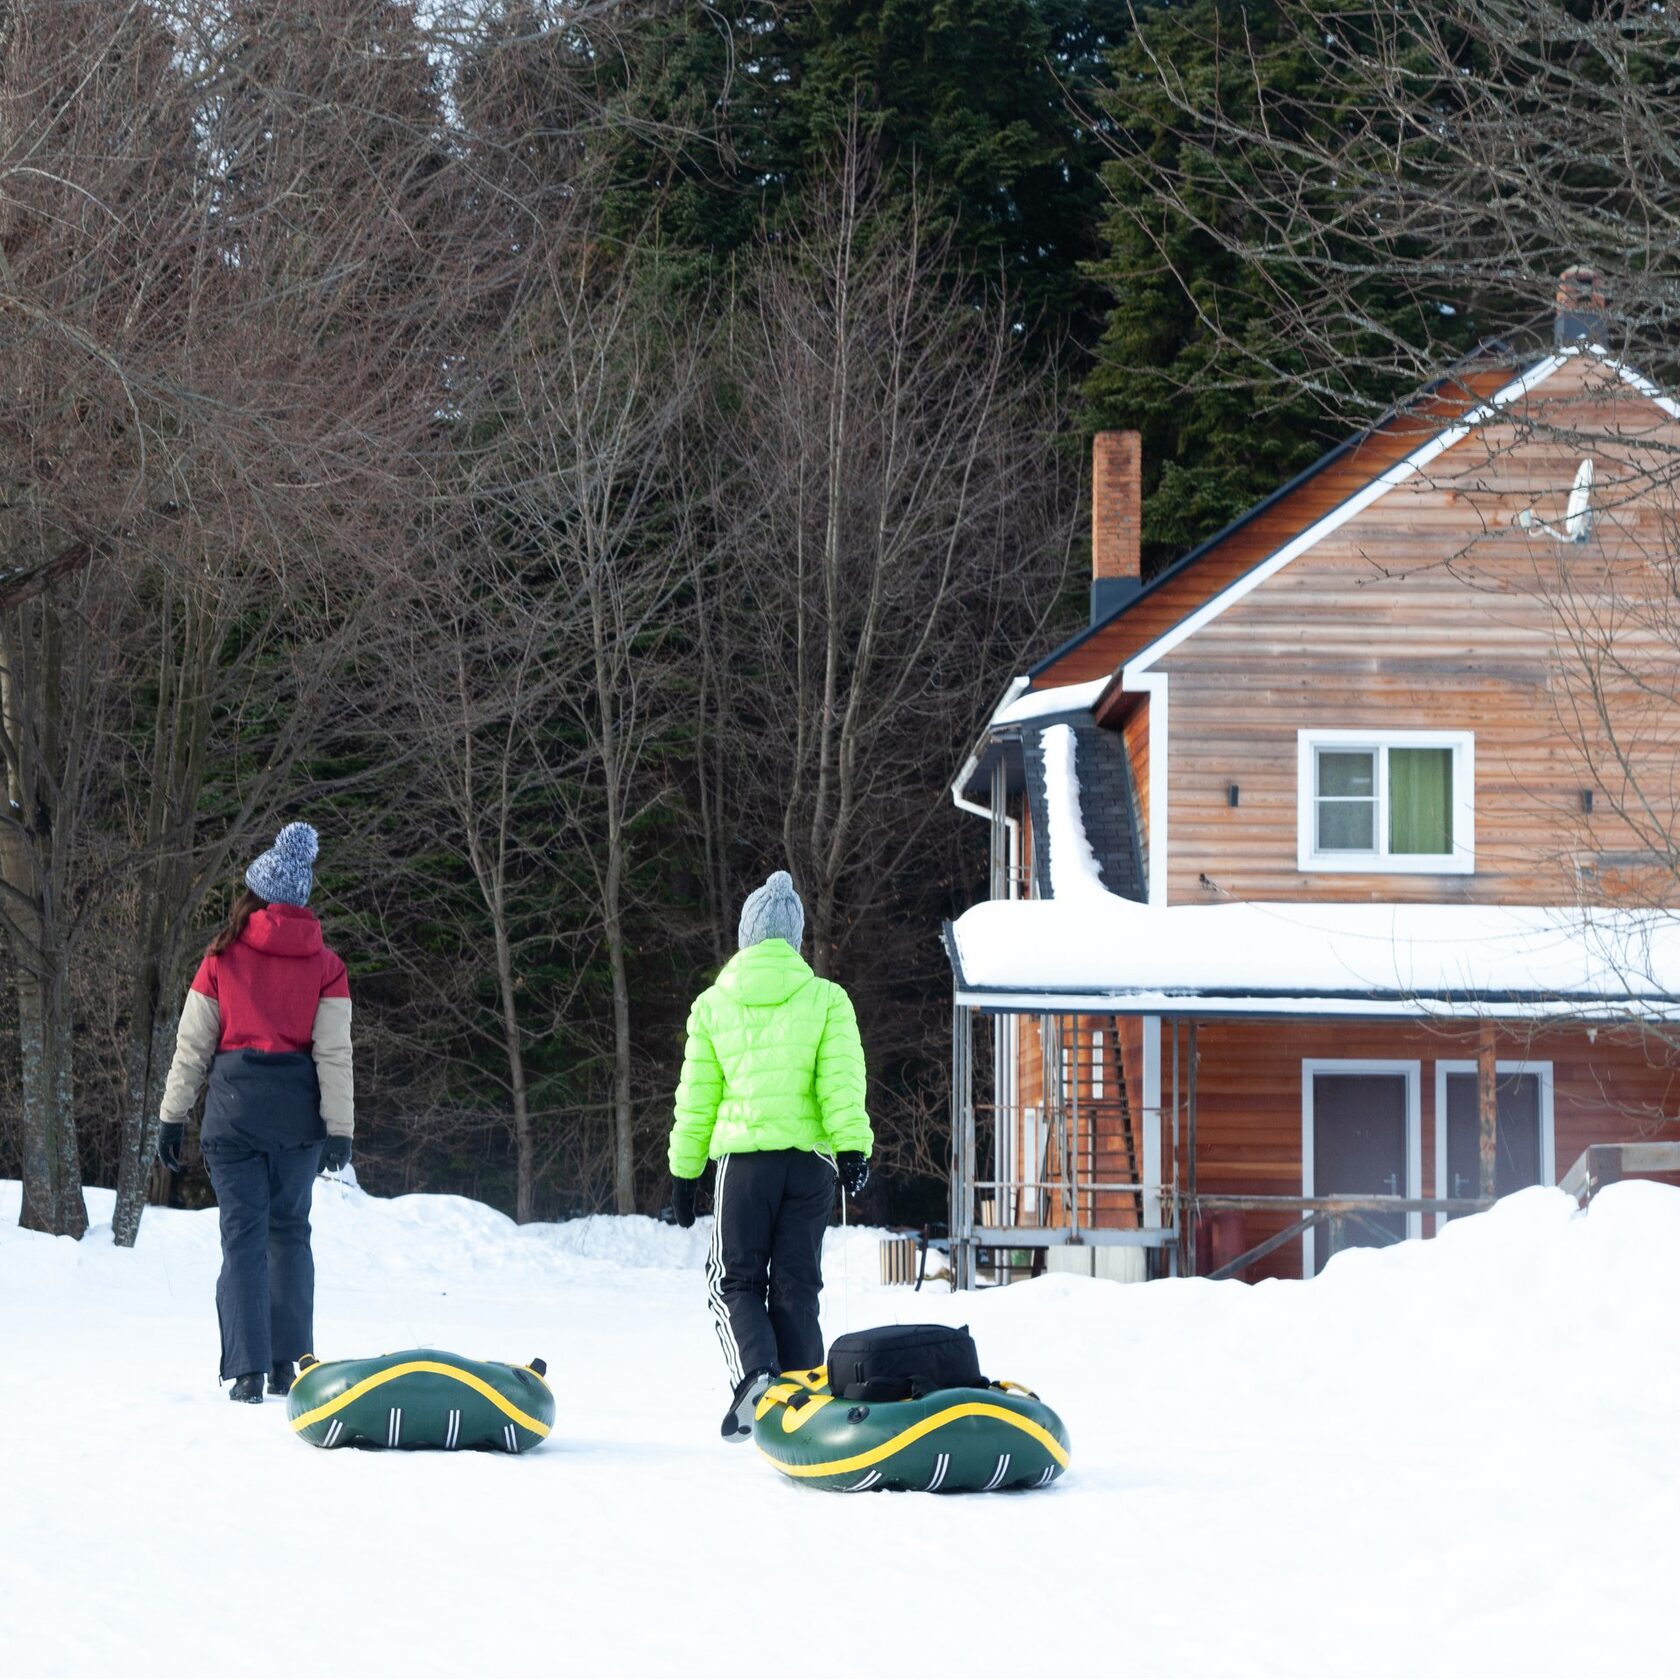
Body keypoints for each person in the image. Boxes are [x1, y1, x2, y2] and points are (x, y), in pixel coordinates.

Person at [668, 869, 873, 1441]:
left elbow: (697, 1096)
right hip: (810, 1165)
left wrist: (685, 1171)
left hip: (745, 1167)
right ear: (795, 940)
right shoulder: (828, 999)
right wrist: (853, 1147)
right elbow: (842, 1082)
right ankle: (804, 1396)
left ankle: (756, 1374)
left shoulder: (712, 1006)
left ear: (744, 937)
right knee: (796, 1283)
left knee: (732, 1280)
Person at [155, 822, 354, 1403]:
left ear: (257, 893)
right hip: (297, 1121)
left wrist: (172, 1115)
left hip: (234, 1115)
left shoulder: (220, 957)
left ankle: (246, 1373)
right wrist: (340, 1127)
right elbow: (333, 1052)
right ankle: (288, 1365)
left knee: (242, 1236)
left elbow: (192, 1047)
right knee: (290, 1233)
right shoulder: (327, 966)